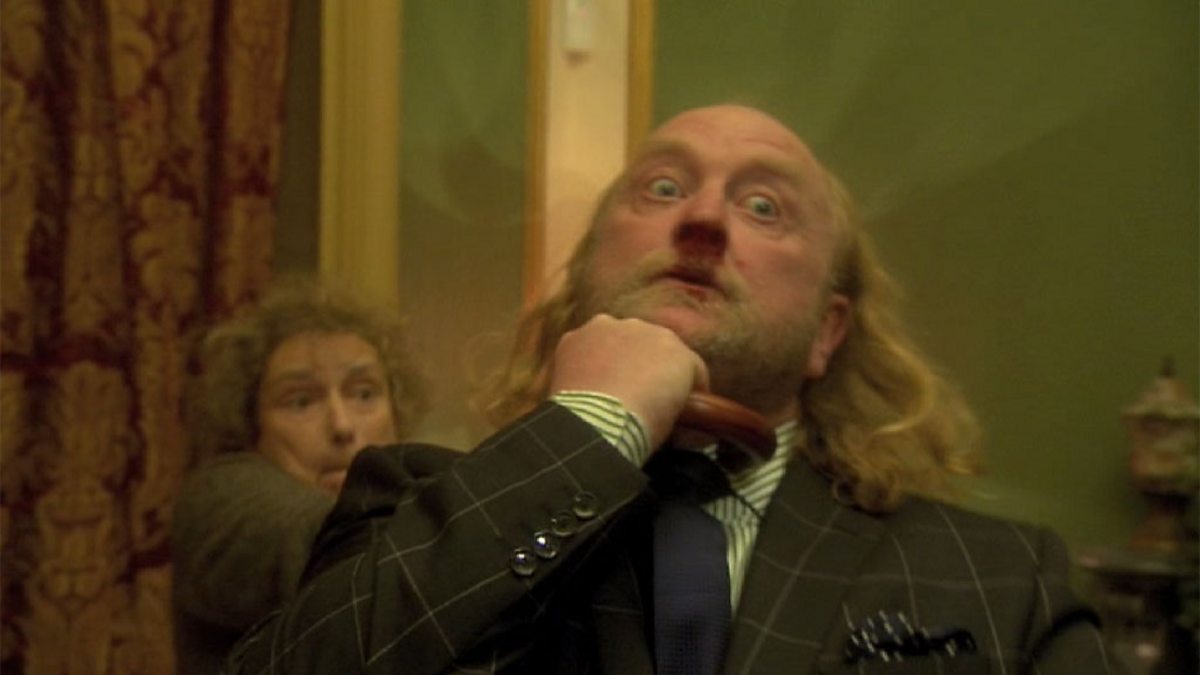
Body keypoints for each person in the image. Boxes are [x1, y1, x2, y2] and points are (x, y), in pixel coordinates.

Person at [224, 105, 1121, 674]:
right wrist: (591, 424)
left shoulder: (1005, 576)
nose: (701, 217)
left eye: (764, 206)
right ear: (584, 279)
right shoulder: (404, 508)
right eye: (662, 187)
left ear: (828, 330)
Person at [171, 281, 427, 675]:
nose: (342, 426)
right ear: (250, 425)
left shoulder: (412, 498)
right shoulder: (221, 498)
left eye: (364, 394)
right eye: (301, 401)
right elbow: (336, 546)